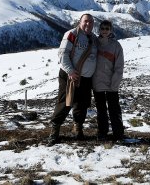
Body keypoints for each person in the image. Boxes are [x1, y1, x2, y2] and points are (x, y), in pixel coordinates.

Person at [47, 13, 98, 146]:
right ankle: (54, 131)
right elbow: (63, 54)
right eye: (86, 21)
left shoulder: (93, 38)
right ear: (80, 22)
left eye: (91, 22)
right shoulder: (72, 34)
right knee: (64, 103)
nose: (88, 24)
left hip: (86, 78)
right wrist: (70, 71)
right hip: (70, 76)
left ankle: (78, 129)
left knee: (82, 104)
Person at [92, 20, 125, 141]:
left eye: (107, 28)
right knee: (101, 110)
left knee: (114, 109)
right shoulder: (95, 43)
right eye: (102, 28)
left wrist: (115, 84)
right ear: (99, 29)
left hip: (111, 83)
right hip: (97, 83)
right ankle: (102, 132)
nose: (104, 31)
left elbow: (119, 66)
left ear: (111, 30)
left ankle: (118, 133)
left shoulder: (116, 45)